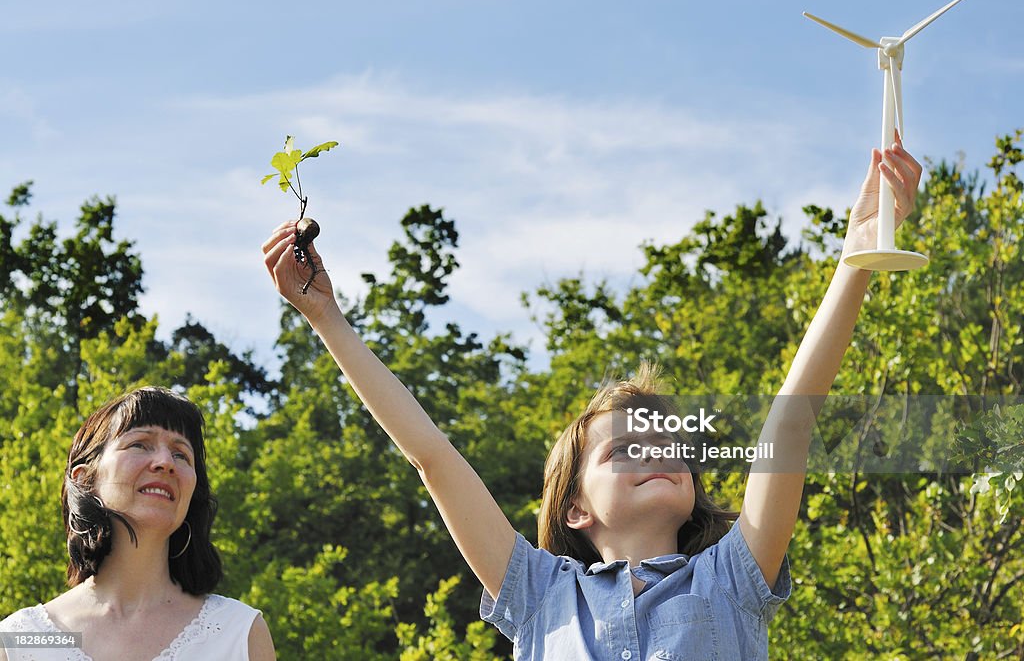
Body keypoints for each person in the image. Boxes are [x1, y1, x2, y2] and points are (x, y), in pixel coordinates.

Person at [261, 139, 922, 659]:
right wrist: (328, 320)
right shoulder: (538, 593)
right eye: (626, 449)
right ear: (575, 507)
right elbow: (431, 457)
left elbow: (793, 418)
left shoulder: (730, 579)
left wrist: (855, 262)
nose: (657, 451)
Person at [0, 387, 276, 661]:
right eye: (140, 444)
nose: (166, 462)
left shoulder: (240, 632)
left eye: (181, 454)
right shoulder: (17, 640)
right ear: (85, 480)